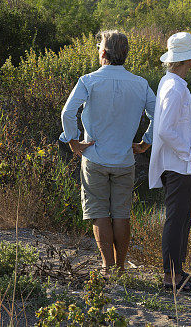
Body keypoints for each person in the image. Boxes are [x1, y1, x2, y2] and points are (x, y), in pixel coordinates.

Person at [59, 30, 155, 276]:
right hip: (125, 159)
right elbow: (160, 116)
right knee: (121, 214)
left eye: (98, 46)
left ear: (103, 52)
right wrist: (145, 143)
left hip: (94, 158)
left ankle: (107, 267)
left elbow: (67, 113)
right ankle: (121, 268)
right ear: (125, 54)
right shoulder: (140, 83)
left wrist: (73, 142)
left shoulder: (88, 80)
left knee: (98, 213)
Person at [148, 31, 191, 291]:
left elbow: (178, 125)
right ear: (187, 59)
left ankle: (177, 272)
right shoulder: (173, 87)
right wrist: (187, 152)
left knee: (183, 217)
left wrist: (190, 151)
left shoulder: (174, 83)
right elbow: (164, 130)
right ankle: (171, 277)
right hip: (178, 164)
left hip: (183, 163)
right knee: (176, 218)